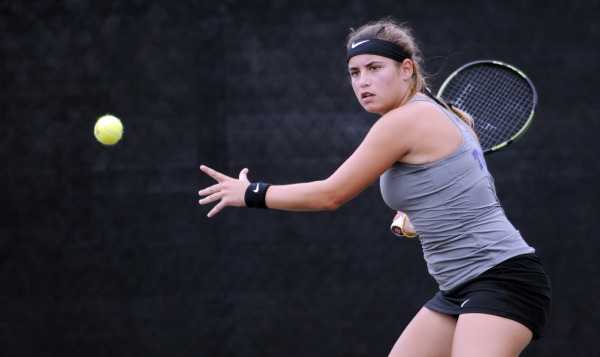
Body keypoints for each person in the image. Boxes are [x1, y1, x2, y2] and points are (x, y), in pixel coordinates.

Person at [198, 18, 551, 357]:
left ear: (406, 69)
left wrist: (251, 193)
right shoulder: (447, 114)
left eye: (374, 68)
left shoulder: (405, 120)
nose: (362, 81)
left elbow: (330, 194)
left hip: (501, 277)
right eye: (355, 72)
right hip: (459, 285)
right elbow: (463, 198)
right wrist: (415, 221)